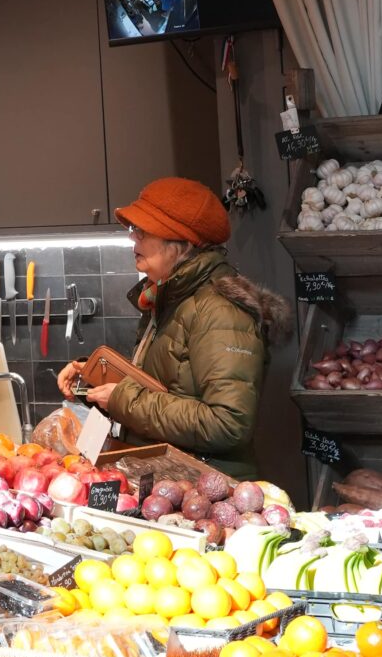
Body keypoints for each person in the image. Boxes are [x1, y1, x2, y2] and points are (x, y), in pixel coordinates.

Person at [57, 177, 290, 467]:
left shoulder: (220, 309)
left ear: (182, 242)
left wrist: (123, 398)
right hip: (170, 482)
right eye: (134, 229)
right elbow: (161, 392)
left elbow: (228, 423)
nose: (133, 238)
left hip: (206, 494)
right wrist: (92, 381)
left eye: (143, 230)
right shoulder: (168, 299)